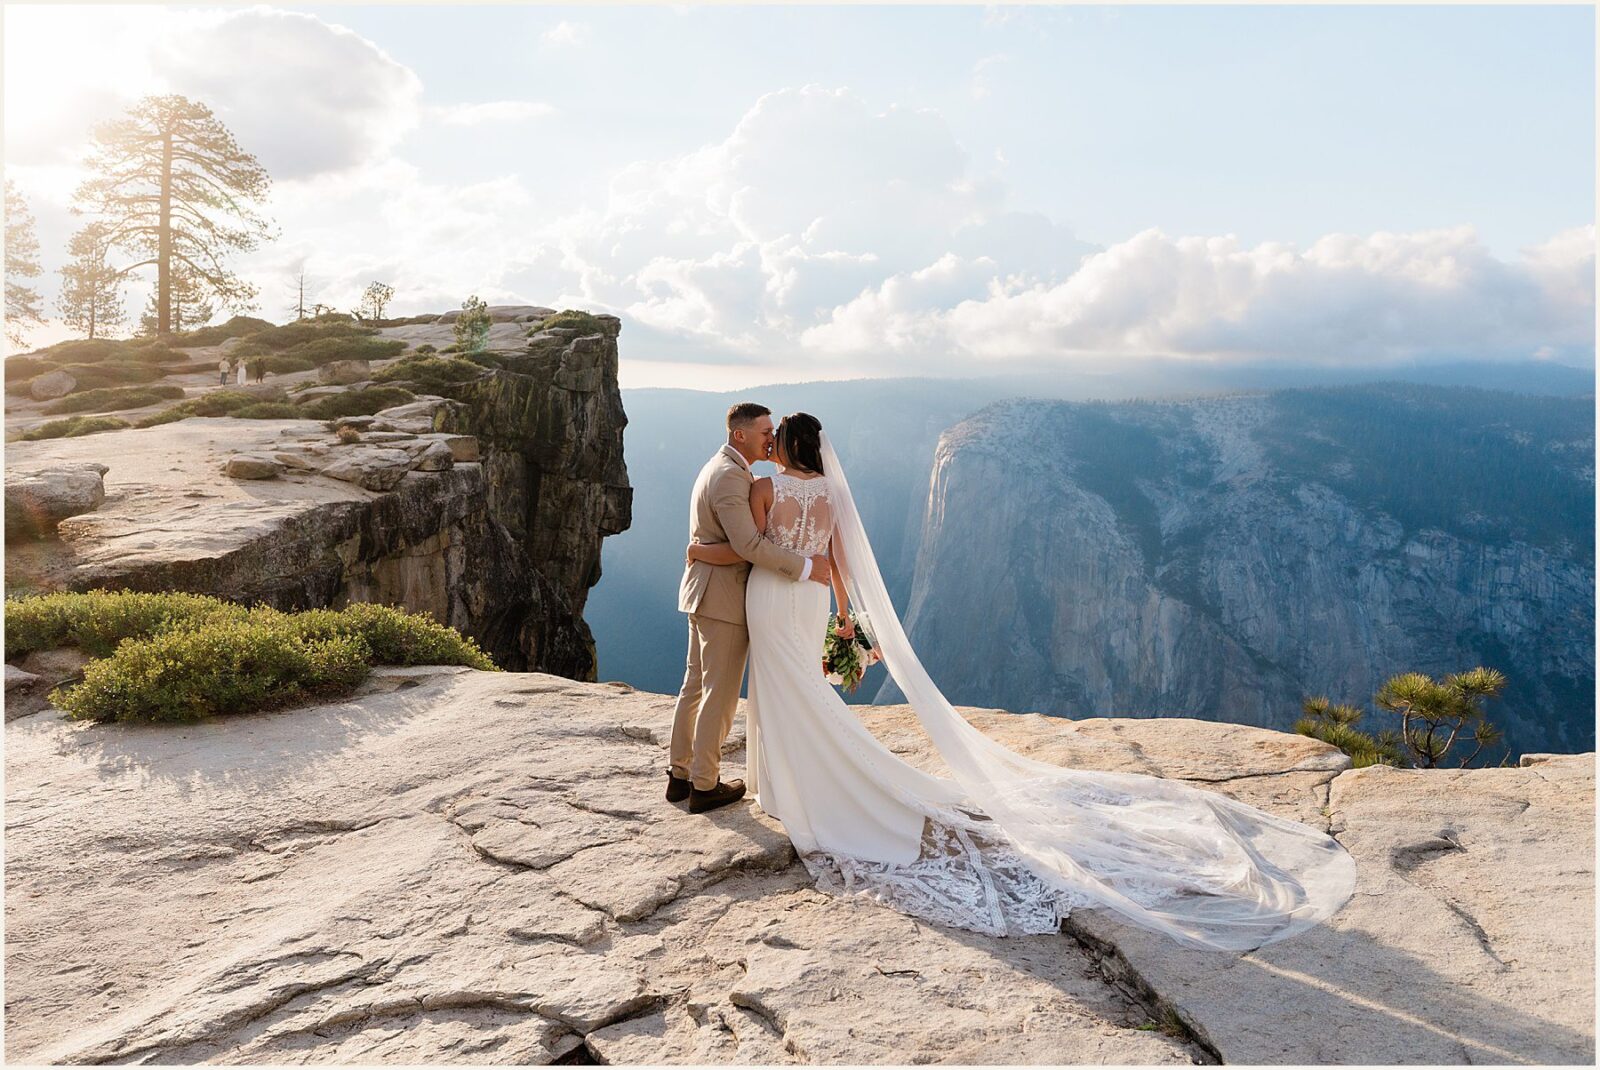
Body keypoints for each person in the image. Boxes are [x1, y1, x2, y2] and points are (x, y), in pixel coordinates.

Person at [683, 411, 1359, 952]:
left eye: (775, 438)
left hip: (773, 598)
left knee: (783, 693)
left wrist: (697, 550)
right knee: (801, 691)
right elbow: (837, 560)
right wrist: (844, 617)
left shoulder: (766, 488)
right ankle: (790, 780)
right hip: (809, 601)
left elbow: (751, 550)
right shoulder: (831, 492)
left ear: (784, 447)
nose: (769, 444)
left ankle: (799, 786)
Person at [668, 403, 833, 815]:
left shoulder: (726, 469)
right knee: (718, 695)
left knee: (694, 686)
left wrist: (698, 551)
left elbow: (738, 542)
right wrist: (807, 567)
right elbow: (749, 546)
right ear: (740, 435)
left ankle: (680, 775)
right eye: (764, 431)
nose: (771, 438)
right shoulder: (730, 477)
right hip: (722, 598)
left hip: (706, 592)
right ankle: (704, 785)